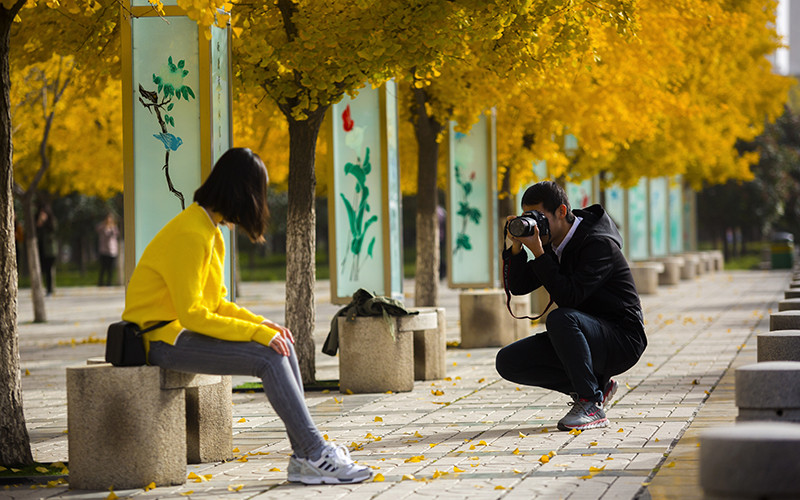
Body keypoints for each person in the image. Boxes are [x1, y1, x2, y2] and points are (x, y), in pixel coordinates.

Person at [122, 148, 372, 485]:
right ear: (242, 191)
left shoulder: (208, 229)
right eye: (259, 193)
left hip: (180, 333)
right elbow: (194, 314)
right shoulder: (192, 234)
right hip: (158, 339)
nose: (260, 203)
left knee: (279, 344)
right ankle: (313, 452)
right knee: (267, 356)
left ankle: (304, 458)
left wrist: (261, 326)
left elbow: (218, 303)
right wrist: (256, 336)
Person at [495, 181, 646, 431]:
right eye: (528, 217)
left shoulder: (597, 244)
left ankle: (590, 402)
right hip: (583, 335)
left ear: (562, 212)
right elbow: (519, 286)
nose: (536, 223)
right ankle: (597, 384)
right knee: (508, 361)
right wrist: (517, 247)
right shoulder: (553, 244)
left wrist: (541, 255)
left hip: (622, 339)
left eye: (539, 217)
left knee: (561, 318)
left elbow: (570, 297)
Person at [36, 205, 58, 295]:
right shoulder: (39, 222)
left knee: (49, 270)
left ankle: (49, 289)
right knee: (42, 270)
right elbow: (37, 232)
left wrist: (44, 222)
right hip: (41, 249)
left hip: (50, 250)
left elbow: (53, 231)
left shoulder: (52, 222)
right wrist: (40, 223)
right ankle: (42, 287)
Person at [96, 213, 120, 286]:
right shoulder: (102, 226)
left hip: (112, 251)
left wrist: (112, 228)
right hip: (103, 250)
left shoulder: (114, 227)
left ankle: (109, 283)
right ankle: (100, 282)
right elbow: (98, 229)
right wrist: (105, 226)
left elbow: (116, 234)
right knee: (103, 268)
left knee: (110, 268)